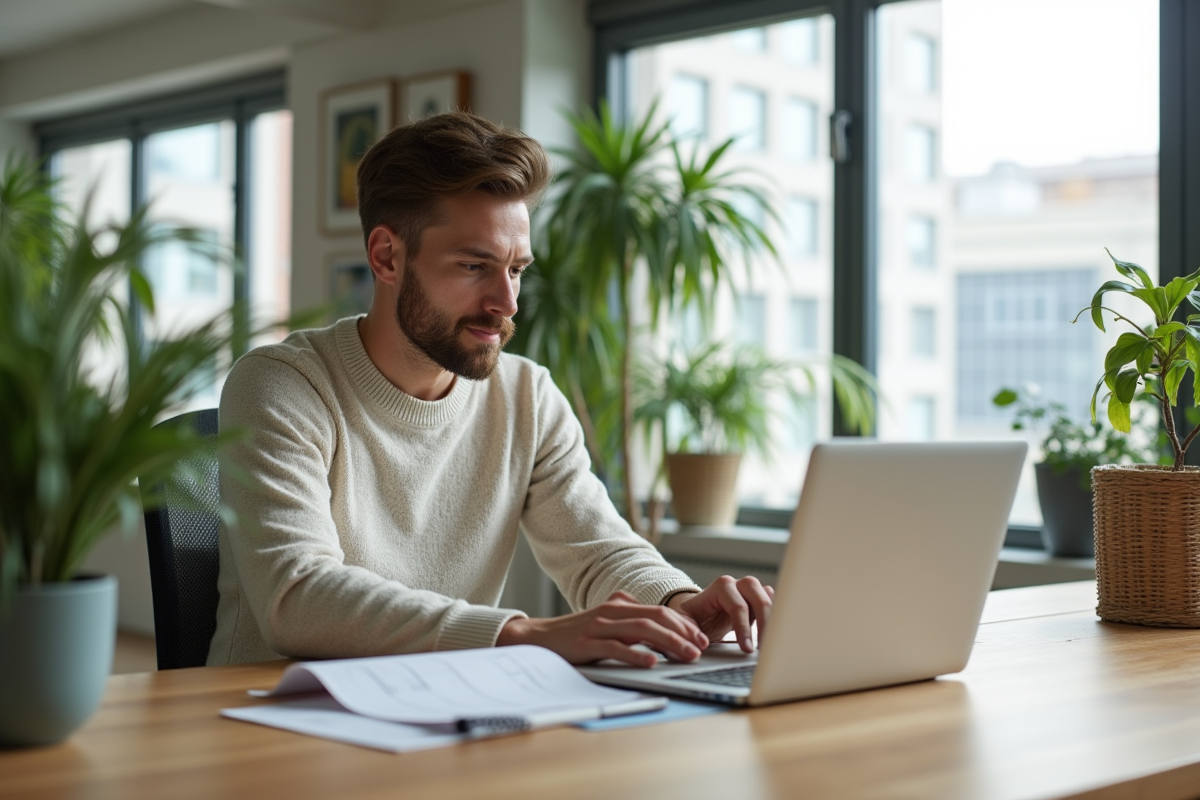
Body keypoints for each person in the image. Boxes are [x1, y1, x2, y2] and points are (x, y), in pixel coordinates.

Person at [207, 111, 772, 668]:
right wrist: (522, 634)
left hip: (444, 702)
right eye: (474, 266)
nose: (507, 303)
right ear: (387, 257)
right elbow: (297, 595)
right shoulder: (283, 385)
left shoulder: (527, 396)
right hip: (267, 710)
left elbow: (597, 551)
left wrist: (677, 604)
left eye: (516, 269)